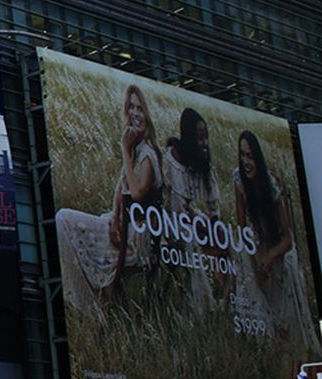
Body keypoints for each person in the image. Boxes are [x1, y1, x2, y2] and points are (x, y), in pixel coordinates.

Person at [55, 83, 161, 321]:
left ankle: (91, 309)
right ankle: (92, 302)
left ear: (148, 114)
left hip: (137, 238)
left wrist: (124, 149)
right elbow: (121, 188)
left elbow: (136, 194)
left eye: (140, 108)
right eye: (131, 107)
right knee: (63, 222)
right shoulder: (136, 149)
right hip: (121, 225)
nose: (135, 113)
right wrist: (114, 217)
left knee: (63, 220)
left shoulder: (147, 155)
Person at [230, 130, 322, 356]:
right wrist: (256, 256)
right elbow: (241, 227)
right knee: (240, 253)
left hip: (279, 250)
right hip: (258, 245)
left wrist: (270, 256)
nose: (246, 161)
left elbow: (288, 239)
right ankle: (262, 340)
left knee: (288, 269)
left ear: (257, 158)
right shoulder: (239, 180)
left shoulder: (270, 186)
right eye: (242, 155)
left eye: (250, 156)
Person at [162, 107, 222, 315]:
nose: (204, 144)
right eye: (199, 138)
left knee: (231, 244)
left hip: (196, 225)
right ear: (188, 138)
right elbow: (172, 208)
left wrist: (212, 227)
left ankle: (226, 301)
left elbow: (213, 210)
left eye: (205, 138)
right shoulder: (171, 161)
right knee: (190, 245)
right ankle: (204, 309)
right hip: (171, 228)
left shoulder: (203, 167)